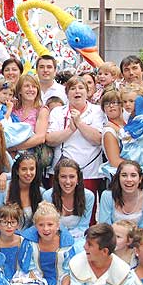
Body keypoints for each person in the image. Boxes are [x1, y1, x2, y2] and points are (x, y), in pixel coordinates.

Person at [46, 76, 105, 204]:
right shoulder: (57, 112)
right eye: (72, 88)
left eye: (81, 88)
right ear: (67, 93)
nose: (77, 91)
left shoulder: (98, 111)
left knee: (86, 211)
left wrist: (79, 123)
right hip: (60, 171)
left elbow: (98, 139)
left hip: (88, 172)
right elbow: (50, 139)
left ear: (87, 92)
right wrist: (70, 130)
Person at [23, 203, 73, 285]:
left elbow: (69, 270)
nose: (46, 229)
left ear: (58, 225)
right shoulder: (30, 243)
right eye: (41, 225)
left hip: (60, 280)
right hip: (38, 280)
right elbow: (28, 268)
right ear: (35, 226)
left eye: (50, 224)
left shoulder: (66, 243)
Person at [42, 158, 96, 241]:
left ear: (78, 178)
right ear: (57, 178)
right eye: (63, 177)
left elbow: (83, 226)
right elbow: (48, 225)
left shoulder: (88, 196)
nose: (68, 181)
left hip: (79, 238)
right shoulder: (48, 196)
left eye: (72, 177)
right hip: (54, 238)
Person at [98, 159, 143, 229]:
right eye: (124, 175)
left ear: (140, 179)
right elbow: (104, 227)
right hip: (112, 238)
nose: (129, 179)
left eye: (133, 175)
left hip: (140, 238)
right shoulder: (107, 196)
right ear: (118, 178)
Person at [6, 153, 44, 228]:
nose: (28, 173)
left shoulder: (41, 192)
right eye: (24, 169)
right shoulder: (5, 188)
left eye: (32, 169)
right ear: (17, 171)